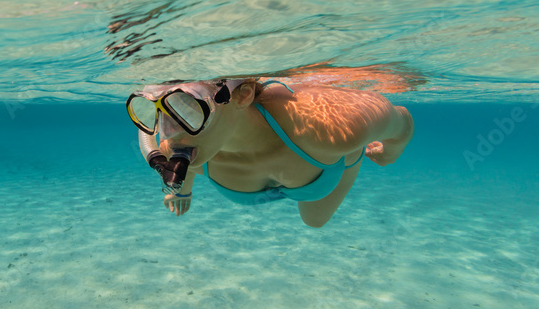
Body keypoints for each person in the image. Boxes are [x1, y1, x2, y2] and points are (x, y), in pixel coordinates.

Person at [128, 77, 414, 227]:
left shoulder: (329, 129)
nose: (166, 134)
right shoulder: (181, 140)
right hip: (288, 167)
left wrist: (392, 152)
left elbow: (401, 120)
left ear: (243, 94)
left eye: (186, 107)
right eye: (156, 111)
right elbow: (176, 148)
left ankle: (353, 159)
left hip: (321, 164)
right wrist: (181, 189)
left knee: (315, 221)